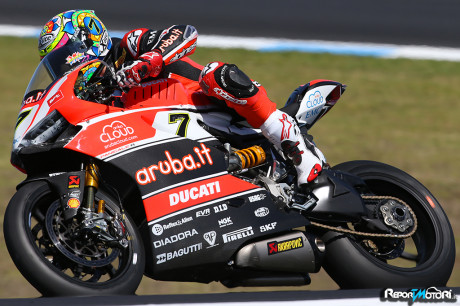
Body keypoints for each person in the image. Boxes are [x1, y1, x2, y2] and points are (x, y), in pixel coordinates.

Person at [38, 9, 325, 194]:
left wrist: (149, 60)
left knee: (217, 73)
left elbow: (185, 32)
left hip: (210, 108)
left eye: (64, 56)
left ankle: (292, 141)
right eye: (54, 65)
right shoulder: (97, 98)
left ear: (88, 39)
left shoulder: (129, 45)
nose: (63, 68)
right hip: (180, 151)